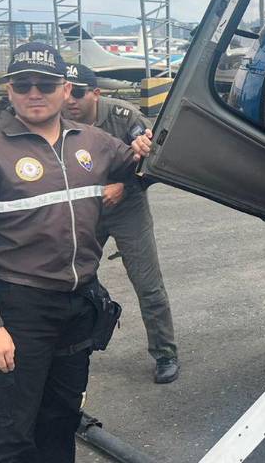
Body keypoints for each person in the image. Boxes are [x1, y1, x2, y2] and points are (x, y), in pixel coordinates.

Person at [0, 43, 153, 462]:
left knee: (60, 420)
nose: (34, 93)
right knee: (10, 431)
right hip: (22, 307)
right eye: (23, 84)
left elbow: (137, 162)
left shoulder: (93, 143)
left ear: (66, 89)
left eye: (45, 84)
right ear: (9, 89)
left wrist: (144, 144)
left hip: (78, 303)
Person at [62, 63, 181, 384]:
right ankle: (68, 345)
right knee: (69, 277)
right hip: (85, 208)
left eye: (78, 91)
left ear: (96, 93)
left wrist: (124, 186)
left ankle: (165, 352)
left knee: (147, 282)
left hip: (127, 205)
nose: (69, 98)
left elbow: (157, 161)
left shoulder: (123, 117)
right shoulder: (57, 123)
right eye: (65, 90)